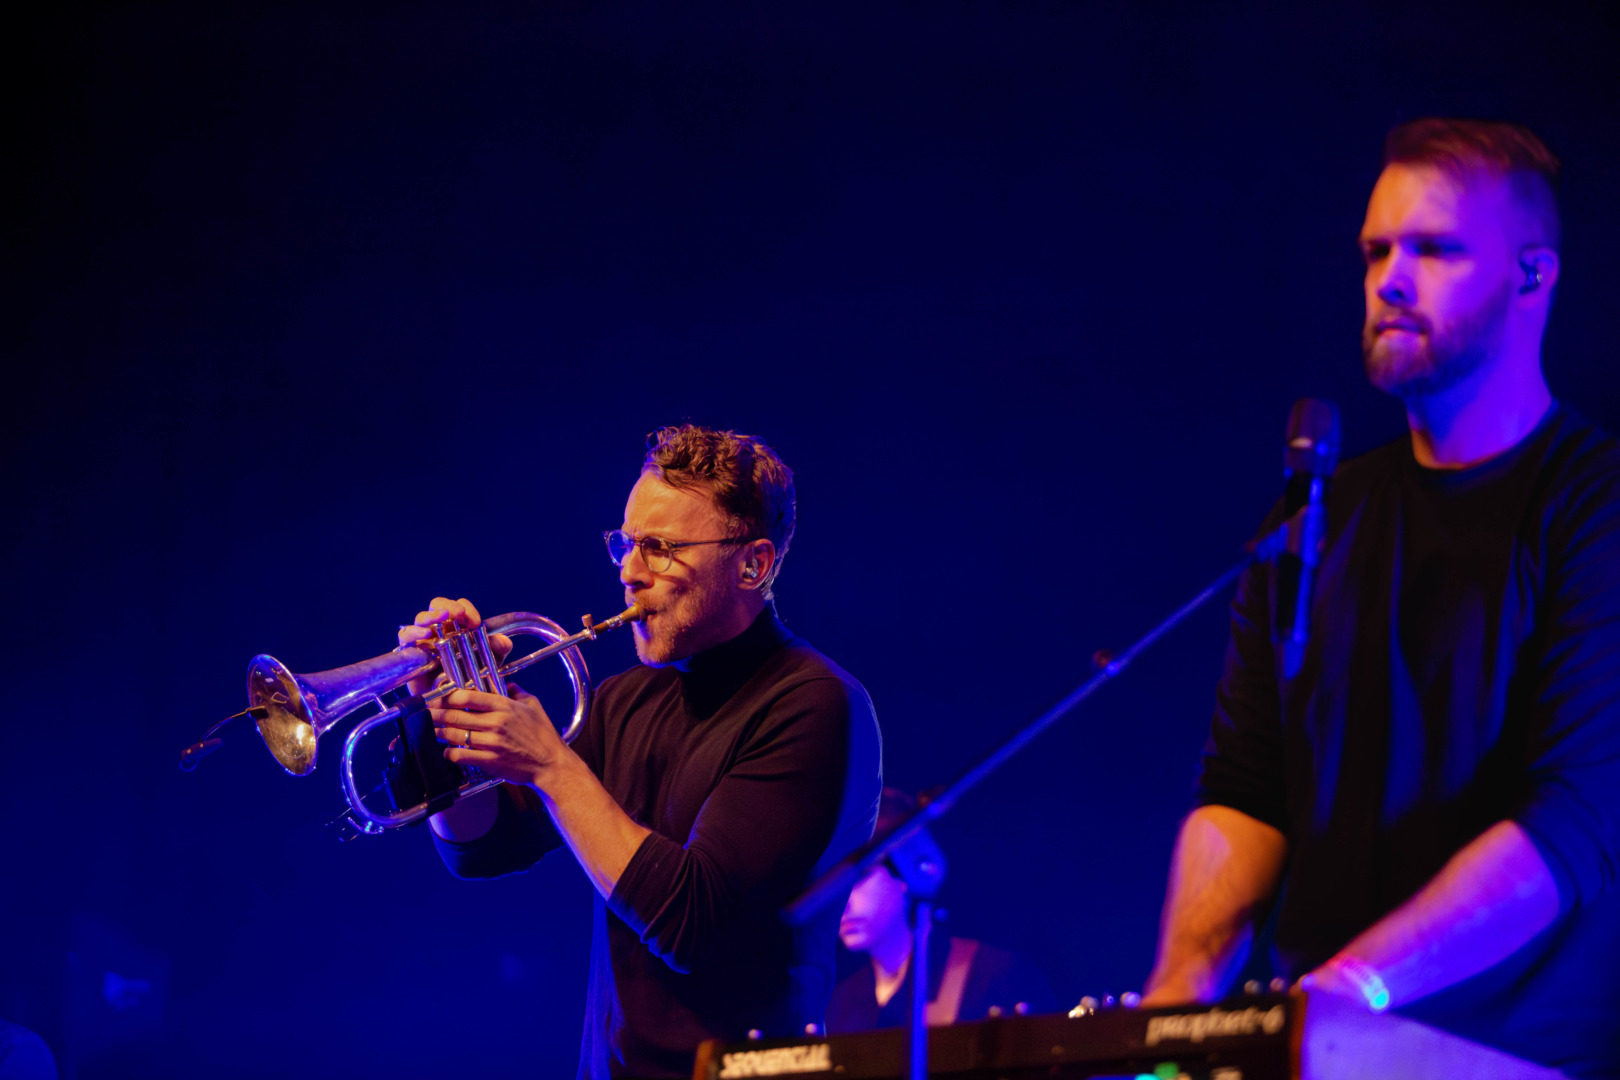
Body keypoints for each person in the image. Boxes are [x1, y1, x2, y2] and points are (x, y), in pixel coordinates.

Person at [1141, 118, 1620, 1076]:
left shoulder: (1593, 504)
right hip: (1321, 1041)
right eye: (1375, 250)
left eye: (1434, 249)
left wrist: (1353, 988)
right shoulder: (1317, 515)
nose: (1389, 279)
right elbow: (1245, 792)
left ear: (1533, 277)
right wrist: (1168, 1019)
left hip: (1511, 1054)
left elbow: (1575, 821)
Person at [401, 424, 883, 1079]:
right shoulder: (626, 697)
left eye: (660, 549)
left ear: (754, 563)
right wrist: (439, 714)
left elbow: (694, 925)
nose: (629, 572)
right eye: (626, 544)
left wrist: (551, 764)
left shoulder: (815, 703)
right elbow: (482, 849)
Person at [826, 789, 1056, 1033]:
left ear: (907, 872)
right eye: (832, 886)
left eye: (860, 878)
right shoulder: (837, 1006)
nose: (842, 904)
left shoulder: (996, 975)